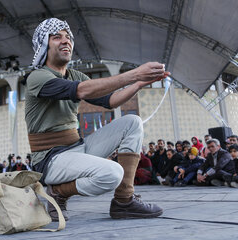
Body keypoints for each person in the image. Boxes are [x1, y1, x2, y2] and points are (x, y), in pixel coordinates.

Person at [24, 18, 169, 221]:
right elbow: (80, 91)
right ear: (43, 45)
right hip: (51, 160)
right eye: (57, 37)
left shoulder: (76, 75)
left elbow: (110, 101)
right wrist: (134, 74)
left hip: (77, 147)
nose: (66, 42)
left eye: (69, 38)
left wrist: (139, 83)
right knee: (112, 173)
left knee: (132, 122)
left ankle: (124, 201)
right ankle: (58, 191)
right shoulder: (37, 77)